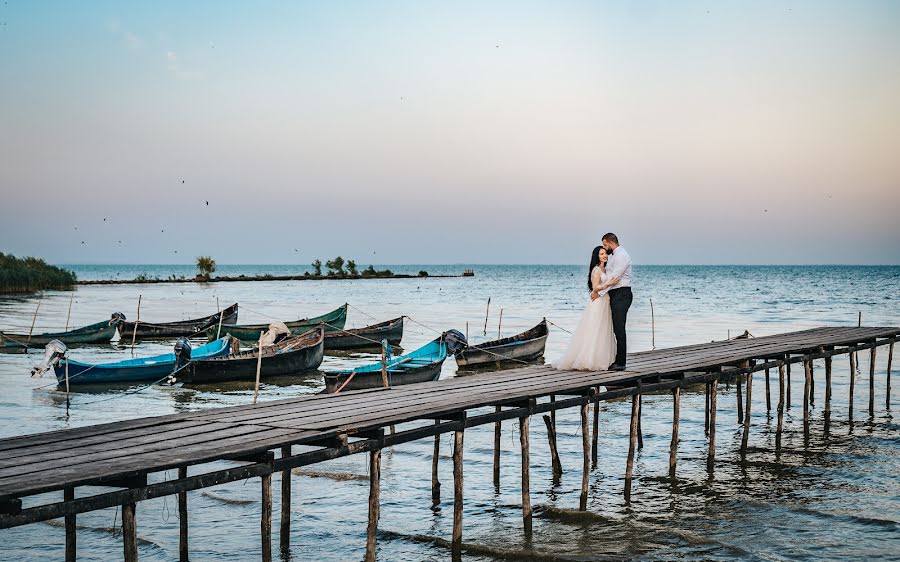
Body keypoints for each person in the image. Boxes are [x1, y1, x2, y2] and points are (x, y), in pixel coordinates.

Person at [556, 246, 617, 370]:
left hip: (606, 301)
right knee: (594, 328)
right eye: (601, 254)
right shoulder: (596, 270)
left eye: (605, 253)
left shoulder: (605, 269)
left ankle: (603, 358)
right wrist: (608, 283)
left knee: (604, 329)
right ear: (597, 256)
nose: (605, 256)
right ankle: (589, 359)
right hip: (598, 302)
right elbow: (595, 287)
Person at [594, 233, 632, 370]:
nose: (605, 248)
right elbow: (609, 277)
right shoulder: (616, 256)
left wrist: (599, 293)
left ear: (610, 243)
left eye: (605, 245)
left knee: (619, 328)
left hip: (622, 294)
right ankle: (616, 359)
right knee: (615, 328)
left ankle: (621, 363)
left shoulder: (621, 256)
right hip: (615, 294)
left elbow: (615, 278)